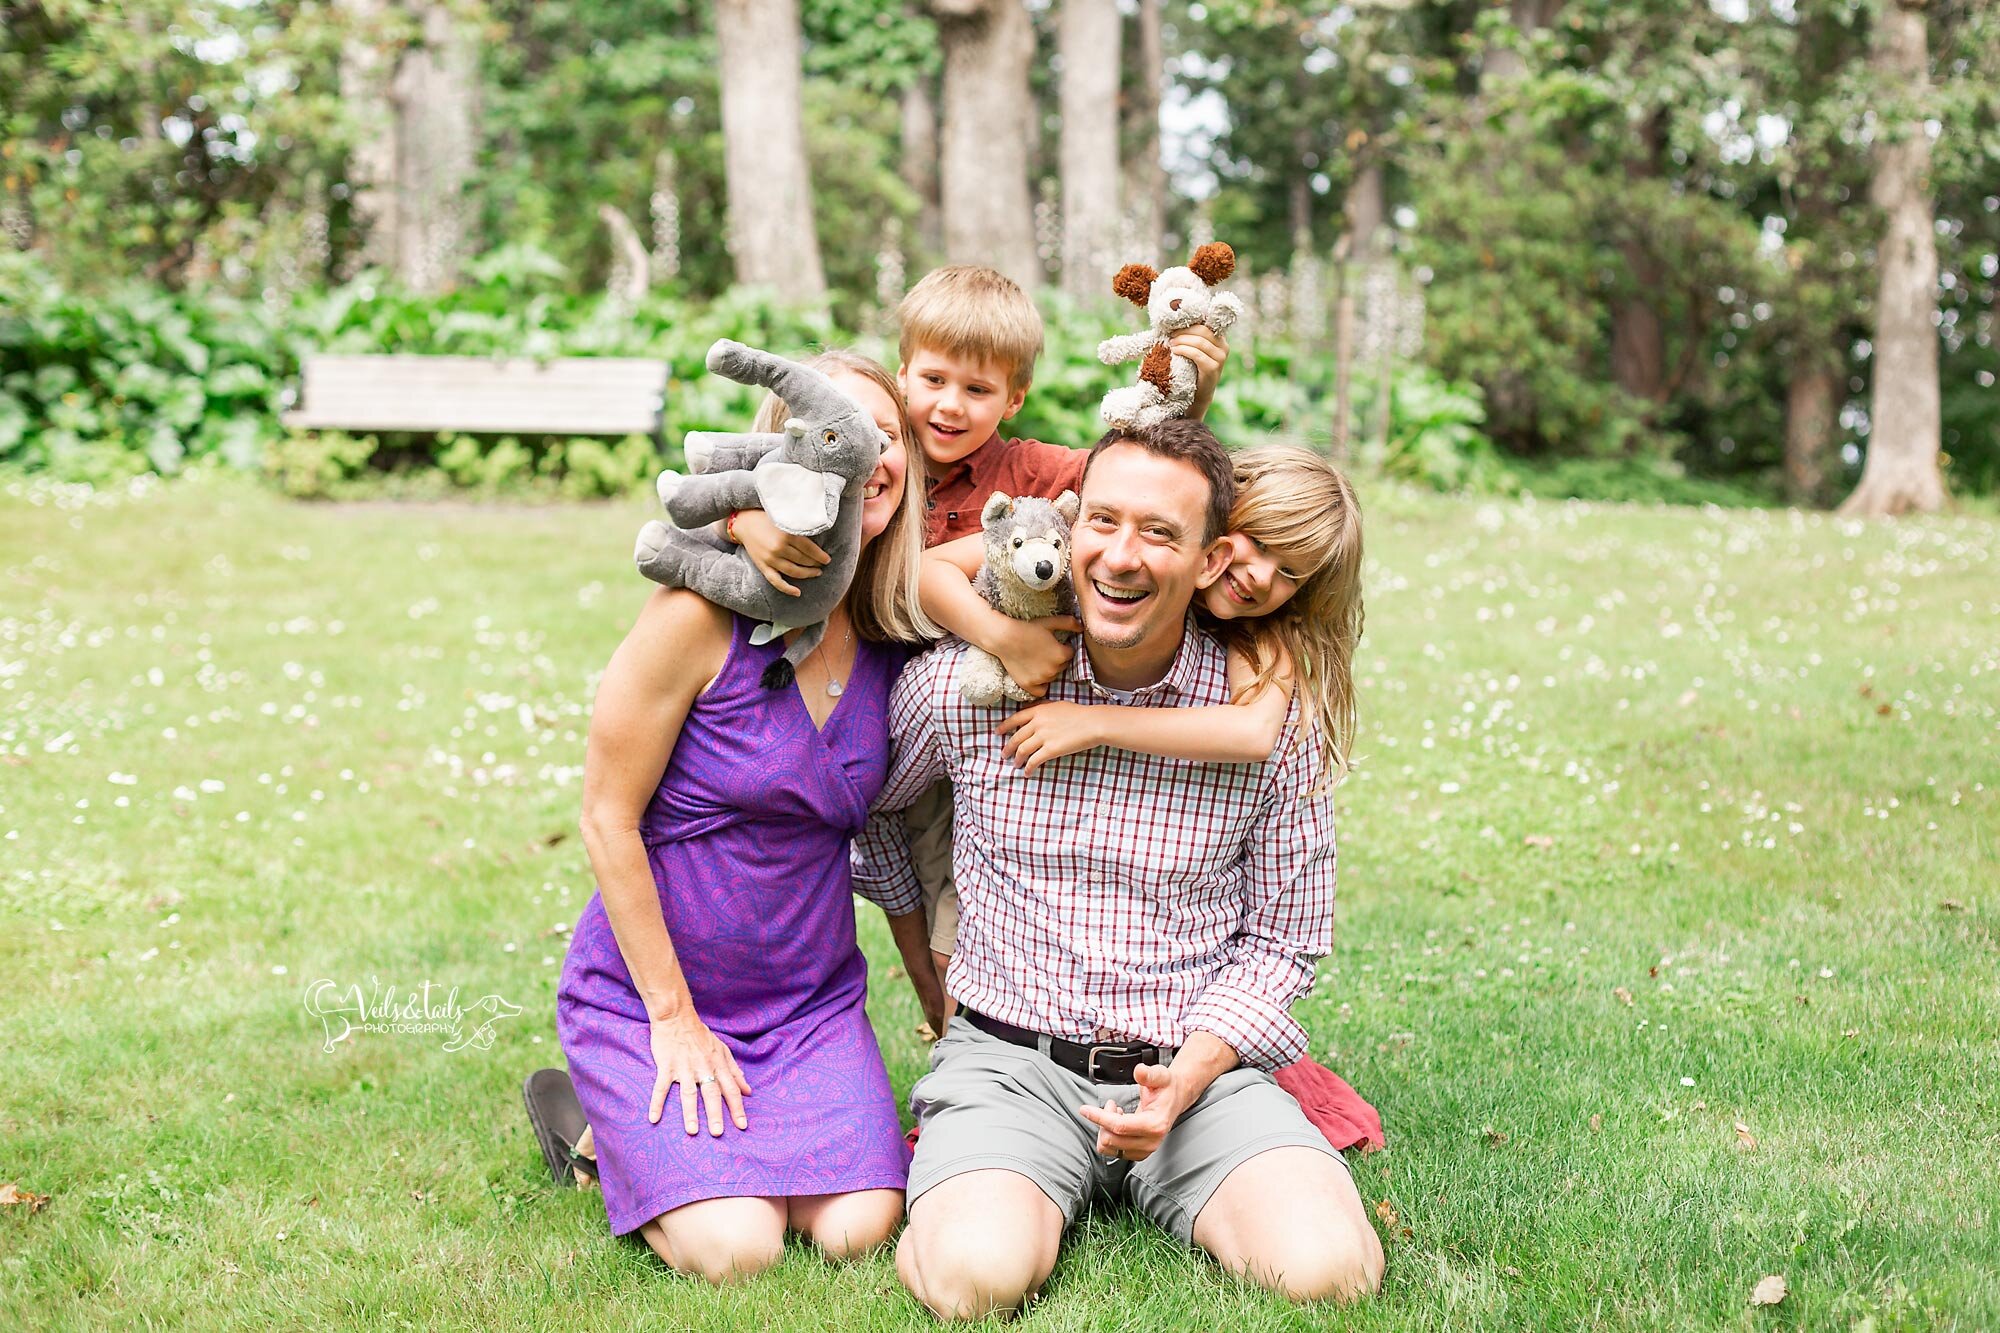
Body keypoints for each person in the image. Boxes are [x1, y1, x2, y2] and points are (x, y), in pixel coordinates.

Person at [853, 419, 1385, 1318]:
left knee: (1330, 1267)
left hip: (1194, 1067)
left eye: (1162, 533)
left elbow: (1288, 942)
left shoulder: (1263, 708)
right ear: (1070, 521)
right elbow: (868, 808)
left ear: (1211, 558)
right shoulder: (968, 685)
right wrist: (926, 969)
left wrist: (1194, 1071)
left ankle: (1186, 1163)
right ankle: (1016, 1176)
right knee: (969, 1277)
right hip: (1012, 1061)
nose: (1122, 556)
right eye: (1104, 521)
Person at [728, 265, 1229, 1031]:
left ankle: (976, 1034)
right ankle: (945, 1027)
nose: (950, 405)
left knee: (968, 912)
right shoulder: (879, 460)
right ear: (901, 376)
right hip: (882, 716)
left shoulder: (1034, 470)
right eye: (932, 379)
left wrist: (1193, 390)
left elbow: (1146, 473)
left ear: (1015, 397)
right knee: (911, 887)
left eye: (979, 390)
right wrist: (745, 518)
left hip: (988, 724)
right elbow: (764, 482)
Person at [554, 350, 934, 1283]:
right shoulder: (697, 612)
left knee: (859, 1226)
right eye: (845, 433)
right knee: (737, 1249)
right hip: (660, 997)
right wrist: (672, 1017)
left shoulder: (894, 622)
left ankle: (685, 1140)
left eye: (887, 440)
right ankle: (590, 1123)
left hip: (809, 1004)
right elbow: (607, 816)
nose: (868, 457)